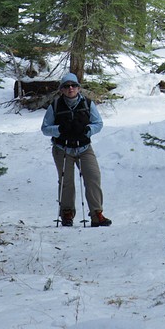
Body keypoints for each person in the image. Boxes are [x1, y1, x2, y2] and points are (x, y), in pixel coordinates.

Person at [41, 72, 112, 227]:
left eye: (73, 85)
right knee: (67, 181)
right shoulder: (55, 106)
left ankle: (97, 213)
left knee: (93, 177)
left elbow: (98, 123)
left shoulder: (87, 103)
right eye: (66, 86)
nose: (70, 88)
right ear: (62, 90)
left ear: (79, 88)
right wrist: (60, 129)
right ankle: (67, 213)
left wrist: (87, 130)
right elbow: (45, 129)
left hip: (84, 147)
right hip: (63, 148)